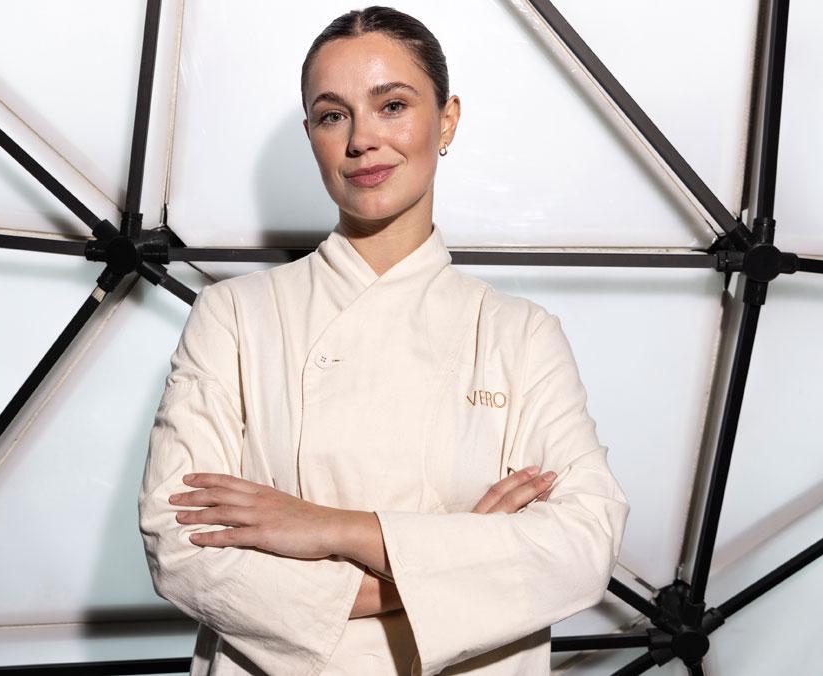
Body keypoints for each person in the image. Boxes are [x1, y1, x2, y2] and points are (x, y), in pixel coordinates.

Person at [137, 6, 630, 675]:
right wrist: (456, 565)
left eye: (392, 104)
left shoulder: (520, 333)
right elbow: (183, 545)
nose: (362, 139)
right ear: (311, 133)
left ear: (446, 120)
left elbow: (583, 544)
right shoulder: (233, 315)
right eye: (332, 115)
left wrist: (331, 528)